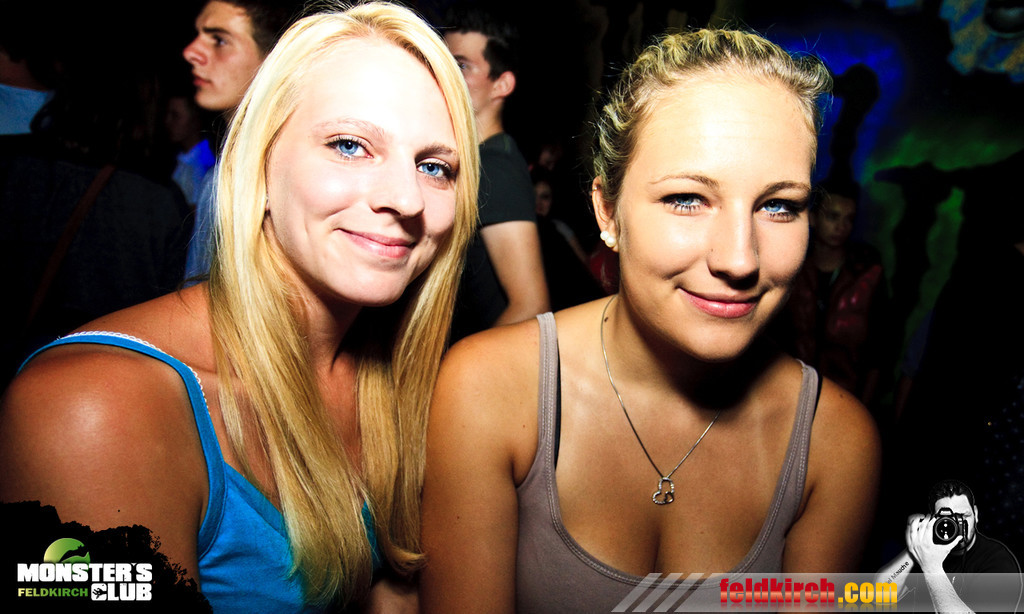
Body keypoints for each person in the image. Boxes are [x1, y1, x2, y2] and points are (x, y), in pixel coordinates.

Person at [0, 3, 478, 612]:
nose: (406, 198)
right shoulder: (87, 409)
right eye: (350, 145)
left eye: (434, 167)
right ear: (260, 160)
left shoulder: (397, 383)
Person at [421, 29, 881, 613]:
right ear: (607, 211)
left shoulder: (835, 445)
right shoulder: (488, 389)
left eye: (779, 206)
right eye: (687, 199)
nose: (740, 259)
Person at [443, 3, 549, 341]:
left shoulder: (496, 166)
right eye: (444, 62)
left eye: (462, 65)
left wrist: (455, 366)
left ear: (501, 84)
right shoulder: (474, 159)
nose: (446, 75)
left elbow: (531, 305)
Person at [182, 0, 299, 280]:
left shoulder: (271, 176)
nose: (191, 52)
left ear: (272, 60)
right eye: (198, 35)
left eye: (219, 40)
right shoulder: (226, 171)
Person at [774, 180, 892, 406]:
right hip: (789, 394)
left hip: (845, 397)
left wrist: (864, 407)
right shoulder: (790, 269)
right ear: (812, 218)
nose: (841, 226)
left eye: (849, 219)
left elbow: (878, 349)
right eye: (833, 216)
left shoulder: (868, 275)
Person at [875, 480, 1022, 613]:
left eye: (963, 516)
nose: (956, 525)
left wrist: (932, 568)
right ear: (933, 520)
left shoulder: (998, 560)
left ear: (976, 514)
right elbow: (879, 595)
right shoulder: (926, 552)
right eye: (947, 519)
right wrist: (915, 549)